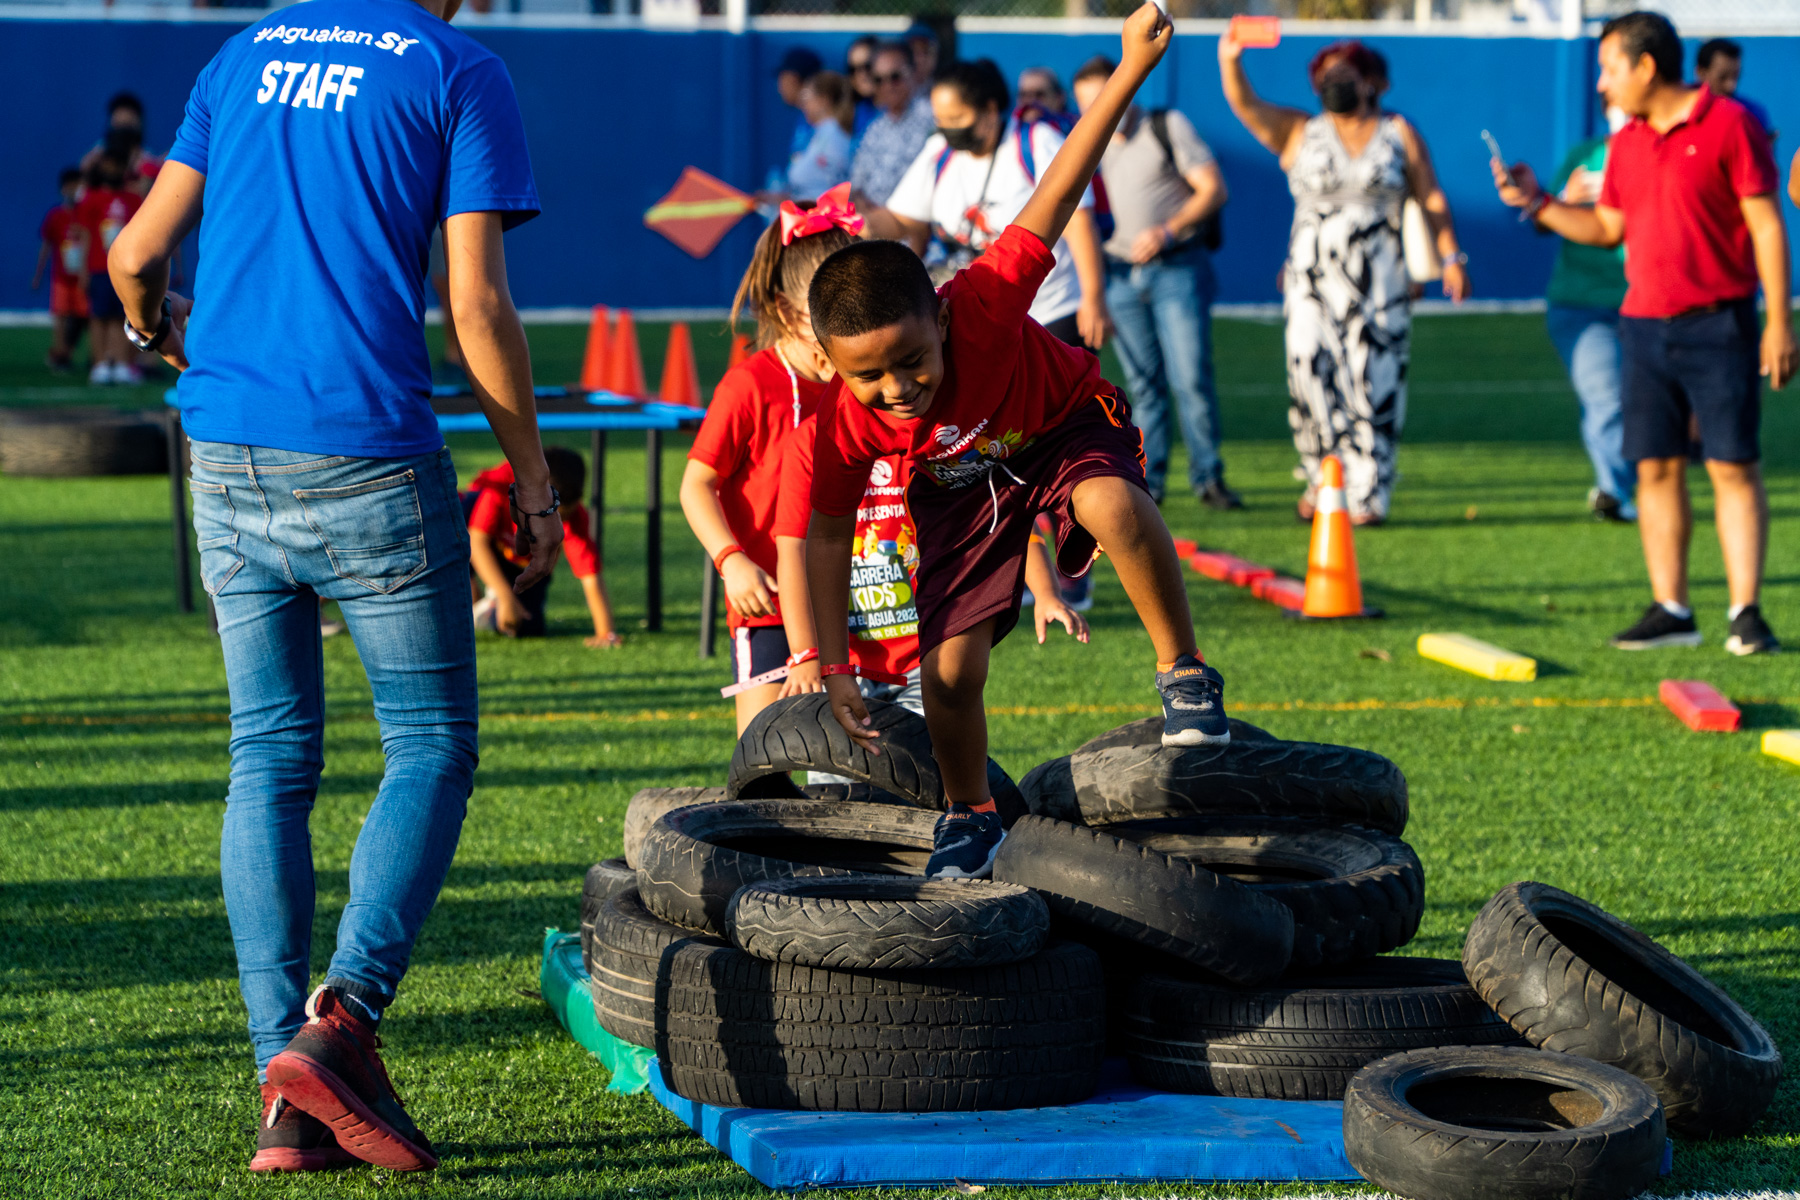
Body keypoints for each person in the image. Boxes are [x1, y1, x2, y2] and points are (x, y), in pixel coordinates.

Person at [107, 0, 550, 1172]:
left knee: (269, 757)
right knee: (432, 744)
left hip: (227, 447)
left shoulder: (243, 51)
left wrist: (164, 338)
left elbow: (134, 258)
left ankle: (285, 1089)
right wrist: (537, 481)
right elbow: (478, 306)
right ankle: (343, 1021)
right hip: (368, 454)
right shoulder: (460, 68)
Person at [806, 3, 1226, 883]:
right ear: (835, 369)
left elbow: (1061, 186)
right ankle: (972, 815)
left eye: (912, 362)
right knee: (949, 675)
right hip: (961, 482)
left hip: (1059, 426)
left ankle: (1183, 668)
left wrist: (1129, 70)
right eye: (869, 377)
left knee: (1110, 502)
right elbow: (819, 536)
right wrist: (828, 660)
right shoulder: (849, 421)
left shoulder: (988, 300)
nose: (897, 389)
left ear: (942, 317)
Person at [1491, 11, 1792, 656]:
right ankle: (1673, 608)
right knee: (1654, 468)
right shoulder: (1627, 142)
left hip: (1722, 325)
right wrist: (1539, 204)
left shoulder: (1731, 124)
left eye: (1609, 67)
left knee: (1733, 467)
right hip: (1644, 329)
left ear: (1646, 65)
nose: (1602, 83)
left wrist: (1779, 322)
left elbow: (1767, 225)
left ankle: (1746, 613)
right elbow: (1605, 229)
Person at [1219, 34, 1468, 525]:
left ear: (1372, 81)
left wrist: (1451, 256)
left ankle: (1369, 491)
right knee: (1308, 371)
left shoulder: (1398, 133)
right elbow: (1245, 105)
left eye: (1345, 73)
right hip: (1310, 278)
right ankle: (1321, 478)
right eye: (1325, 75)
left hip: (1380, 279)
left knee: (1372, 382)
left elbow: (1431, 195)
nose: (1334, 83)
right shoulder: (1299, 131)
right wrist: (1230, 56)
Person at [773, 412, 1089, 727]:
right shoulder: (811, 441)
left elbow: (1004, 514)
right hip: (843, 660)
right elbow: (793, 550)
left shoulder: (941, 433)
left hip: (928, 655)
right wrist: (808, 654)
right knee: (834, 768)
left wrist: (1047, 593)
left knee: (930, 762)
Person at [680, 190, 860, 733]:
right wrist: (731, 560)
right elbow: (695, 485)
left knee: (861, 760)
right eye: (827, 317)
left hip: (859, 599)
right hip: (769, 607)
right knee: (765, 758)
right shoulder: (750, 385)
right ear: (786, 311)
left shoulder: (864, 383)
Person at [1074, 55, 1238, 512]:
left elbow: (1213, 189)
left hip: (1177, 268)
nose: (1099, 111)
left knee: (1190, 379)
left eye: (1106, 98)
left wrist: (1167, 230)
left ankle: (1208, 478)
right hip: (1121, 276)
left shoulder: (1168, 125)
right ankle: (1148, 482)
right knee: (1143, 387)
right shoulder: (1093, 141)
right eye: (1088, 105)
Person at [864, 58, 1111, 351]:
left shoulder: (1036, 141)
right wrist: (857, 225)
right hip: (985, 317)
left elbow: (1079, 223)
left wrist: (1093, 299)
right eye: (940, 120)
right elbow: (902, 218)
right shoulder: (939, 152)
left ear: (990, 111)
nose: (947, 129)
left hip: (1050, 312)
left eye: (957, 120)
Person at [1541, 106, 1636, 523]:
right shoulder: (1585, 155)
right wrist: (1562, 200)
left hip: (1651, 302)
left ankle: (1642, 483)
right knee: (1606, 394)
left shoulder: (1668, 155)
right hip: (1582, 304)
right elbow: (1540, 220)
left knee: (1649, 404)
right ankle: (1615, 490)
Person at [467, 447, 619, 646]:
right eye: (545, 514)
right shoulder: (502, 485)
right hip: (481, 543)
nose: (551, 524)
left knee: (526, 627)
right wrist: (505, 597)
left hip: (525, 565)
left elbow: (590, 575)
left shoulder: (573, 515)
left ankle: (489, 608)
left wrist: (605, 632)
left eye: (560, 518)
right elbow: (476, 541)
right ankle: (470, 601)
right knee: (457, 520)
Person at [73, 154, 143, 386]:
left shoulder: (133, 199)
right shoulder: (91, 199)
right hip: (99, 268)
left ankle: (121, 363)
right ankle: (101, 364)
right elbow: (84, 236)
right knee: (98, 317)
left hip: (125, 268)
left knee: (123, 317)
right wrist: (83, 270)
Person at [849, 42, 936, 209]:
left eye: (895, 77)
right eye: (879, 80)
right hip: (872, 221)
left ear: (913, 73)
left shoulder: (932, 119)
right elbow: (856, 184)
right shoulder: (874, 128)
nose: (887, 86)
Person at [32, 167, 89, 374]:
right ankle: (60, 354)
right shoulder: (56, 215)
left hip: (83, 276)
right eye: (72, 186)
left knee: (86, 317)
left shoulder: (85, 213)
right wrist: (38, 276)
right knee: (61, 317)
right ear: (64, 188)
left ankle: (87, 354)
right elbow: (46, 247)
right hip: (61, 278)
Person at [786, 71, 856, 202]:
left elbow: (831, 187)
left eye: (807, 97)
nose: (803, 104)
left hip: (822, 217)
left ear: (824, 100)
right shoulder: (821, 133)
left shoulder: (835, 136)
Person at [1695, 39, 1775, 140]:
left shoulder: (1753, 114)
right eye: (1722, 77)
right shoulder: (1682, 113)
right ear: (1701, 73)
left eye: (1736, 76)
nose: (1731, 86)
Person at [1016, 66, 1073, 132]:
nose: (1030, 101)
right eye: (1023, 94)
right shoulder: (1009, 133)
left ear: (1060, 98)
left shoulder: (1076, 130)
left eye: (1039, 94)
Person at [845, 35, 881, 140]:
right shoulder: (856, 111)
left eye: (867, 66)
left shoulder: (896, 110)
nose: (861, 75)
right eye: (853, 69)